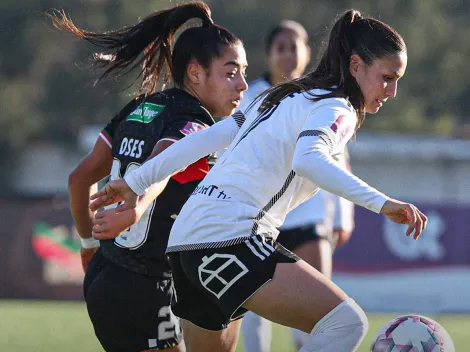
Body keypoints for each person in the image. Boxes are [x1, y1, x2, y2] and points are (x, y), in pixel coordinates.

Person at [90, 10, 427, 352]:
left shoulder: (282, 96)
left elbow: (209, 137)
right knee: (346, 323)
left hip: (186, 242)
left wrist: (138, 180)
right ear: (355, 66)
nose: (393, 90)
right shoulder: (337, 107)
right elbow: (309, 159)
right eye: (387, 77)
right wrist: (383, 203)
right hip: (229, 239)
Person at [53, 2, 248, 351]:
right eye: (231, 72)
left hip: (104, 276)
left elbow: (79, 180)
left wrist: (88, 245)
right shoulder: (196, 123)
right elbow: (162, 165)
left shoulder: (139, 107)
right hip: (148, 287)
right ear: (195, 73)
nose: (243, 84)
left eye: (243, 72)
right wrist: (137, 205)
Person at [238, 20, 355, 352]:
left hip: (308, 216)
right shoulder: (247, 97)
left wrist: (342, 217)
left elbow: (336, 156)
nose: (288, 54)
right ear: (268, 54)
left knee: (316, 312)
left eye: (295, 46)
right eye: (281, 47)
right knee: (253, 311)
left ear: (307, 52)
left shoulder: (323, 96)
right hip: (256, 218)